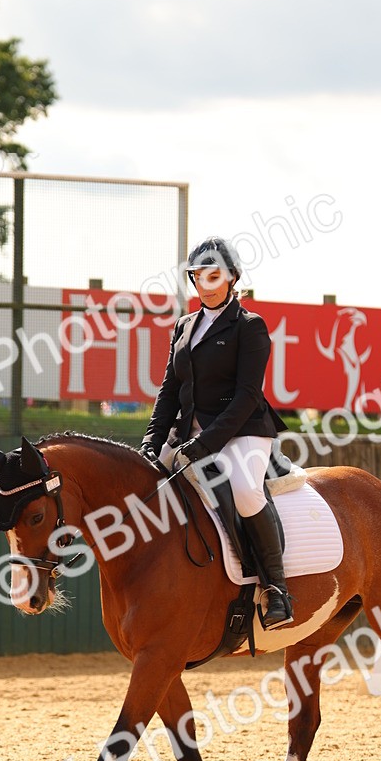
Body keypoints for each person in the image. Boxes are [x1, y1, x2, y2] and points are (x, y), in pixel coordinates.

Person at [140, 236, 293, 628]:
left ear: (232, 278)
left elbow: (247, 395)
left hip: (243, 430)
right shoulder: (183, 326)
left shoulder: (250, 327)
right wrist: (151, 441)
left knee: (245, 490)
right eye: (198, 277)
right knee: (141, 482)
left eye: (214, 276)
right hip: (189, 432)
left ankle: (276, 588)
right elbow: (169, 390)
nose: (205, 285)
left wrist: (207, 442)